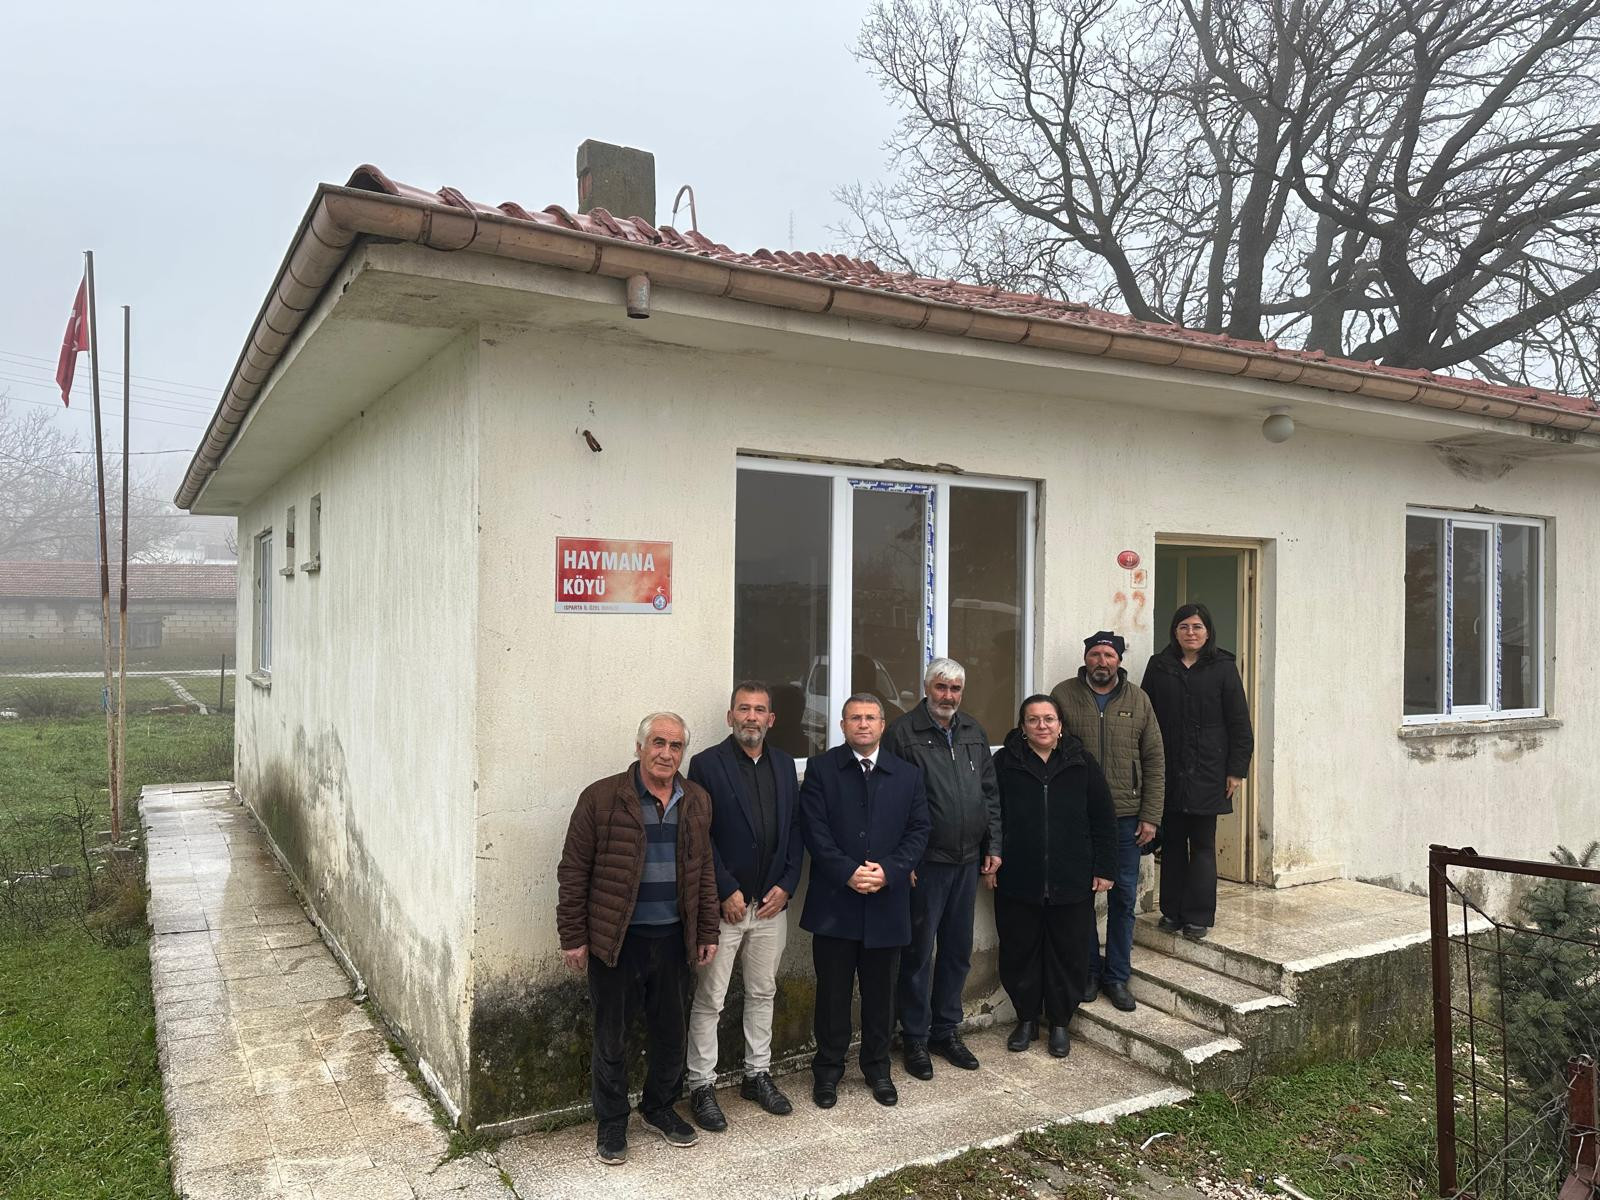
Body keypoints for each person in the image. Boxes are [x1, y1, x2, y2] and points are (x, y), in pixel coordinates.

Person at [556, 712, 720, 1167]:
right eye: (658, 743)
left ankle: (659, 1107)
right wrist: (573, 935)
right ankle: (612, 1121)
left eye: (675, 745)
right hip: (617, 940)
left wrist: (707, 930)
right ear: (640, 747)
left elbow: (704, 870)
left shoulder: (697, 800)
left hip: (674, 940)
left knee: (671, 1033)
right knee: (612, 1036)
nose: (666, 753)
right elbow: (574, 871)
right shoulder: (602, 798)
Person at [798, 694, 930, 1109]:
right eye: (855, 717)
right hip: (836, 903)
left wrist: (889, 871)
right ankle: (828, 1071)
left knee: (881, 996)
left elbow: (919, 830)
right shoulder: (821, 770)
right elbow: (814, 830)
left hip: (887, 903)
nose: (863, 724)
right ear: (842, 725)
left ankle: (878, 1069)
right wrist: (847, 871)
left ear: (883, 724)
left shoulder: (907, 775)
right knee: (832, 996)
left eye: (870, 717)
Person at [683, 682, 804, 1131]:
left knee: (763, 992)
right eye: (743, 709)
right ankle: (701, 1085)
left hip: (771, 906)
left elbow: (796, 829)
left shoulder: (784, 763)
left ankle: (757, 1075)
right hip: (726, 907)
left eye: (759, 710)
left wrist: (787, 885)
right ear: (730, 716)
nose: (751, 717)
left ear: (771, 719)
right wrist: (724, 889)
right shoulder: (706, 764)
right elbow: (699, 834)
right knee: (710, 999)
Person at [886, 658, 1002, 1079]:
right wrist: (904, 859)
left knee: (956, 950)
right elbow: (891, 801)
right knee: (918, 953)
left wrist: (993, 846)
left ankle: (945, 1030)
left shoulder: (973, 731)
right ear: (926, 687)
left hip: (967, 861)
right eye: (941, 687)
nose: (948, 695)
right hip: (925, 864)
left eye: (955, 689)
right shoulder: (903, 733)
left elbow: (989, 794)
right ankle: (915, 1037)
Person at [990, 695, 1115, 1058]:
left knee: (1069, 953)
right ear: (1023, 727)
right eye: (1033, 720)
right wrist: (990, 860)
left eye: (1049, 719)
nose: (1042, 725)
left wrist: (1105, 867)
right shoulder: (1005, 763)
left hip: (1072, 878)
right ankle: (1026, 1019)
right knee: (1019, 951)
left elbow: (1103, 818)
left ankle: (1060, 1022)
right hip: (1018, 878)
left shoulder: (1081, 762)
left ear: (1060, 725)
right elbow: (991, 814)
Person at [1051, 631, 1165, 1013]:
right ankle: (1088, 970)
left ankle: (1117, 975)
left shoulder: (1139, 699)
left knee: (1123, 897)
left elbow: (1154, 759)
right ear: (1086, 658)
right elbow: (1052, 750)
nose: (1102, 662)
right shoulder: (1063, 695)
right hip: (1079, 817)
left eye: (1109, 655)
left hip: (1126, 818)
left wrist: (1150, 816)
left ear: (1119, 660)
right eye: (1096, 655)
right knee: (1081, 898)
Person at [1140, 604, 1254, 941]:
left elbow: (1239, 723)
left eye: (1197, 627)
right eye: (1184, 627)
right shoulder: (1159, 666)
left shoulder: (1223, 667)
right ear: (1175, 632)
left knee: (1203, 843)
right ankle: (1171, 911)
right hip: (1168, 769)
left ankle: (1198, 915)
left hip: (1209, 770)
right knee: (1173, 843)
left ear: (1208, 632)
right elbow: (1146, 717)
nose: (1191, 633)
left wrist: (1236, 771)